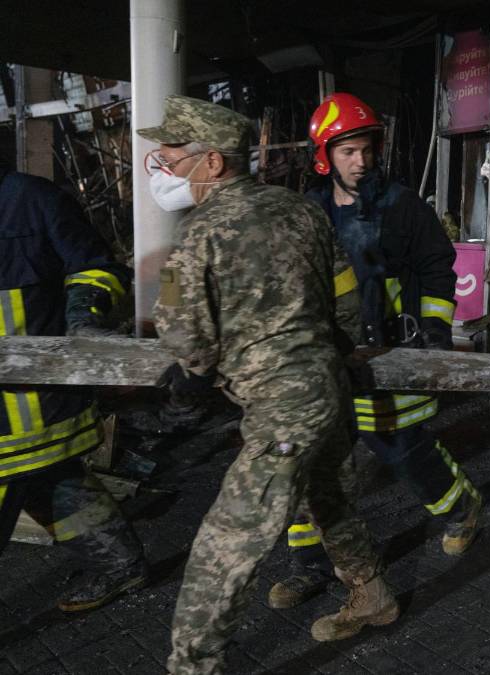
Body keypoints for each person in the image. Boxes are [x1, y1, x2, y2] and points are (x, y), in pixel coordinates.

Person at [137, 95, 397, 673]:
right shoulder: (301, 211)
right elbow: (346, 298)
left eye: (175, 154)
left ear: (213, 163)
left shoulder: (200, 231)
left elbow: (186, 333)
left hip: (282, 406)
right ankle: (372, 594)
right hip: (327, 384)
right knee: (328, 495)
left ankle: (192, 666)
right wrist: (341, 353)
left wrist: (192, 377)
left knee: (225, 543)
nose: (166, 165)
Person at [265, 93, 485, 610]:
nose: (360, 161)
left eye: (366, 150)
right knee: (306, 461)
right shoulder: (308, 212)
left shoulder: (401, 205)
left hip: (386, 352)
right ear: (326, 156)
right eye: (347, 152)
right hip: (322, 359)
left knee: (402, 450)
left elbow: (436, 264)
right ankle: (310, 565)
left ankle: (461, 509)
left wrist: (433, 327)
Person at [0, 162, 149, 612]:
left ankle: (122, 566)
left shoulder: (29, 199)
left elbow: (97, 268)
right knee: (57, 483)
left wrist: (84, 318)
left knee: (47, 476)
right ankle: (122, 565)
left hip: (31, 405)